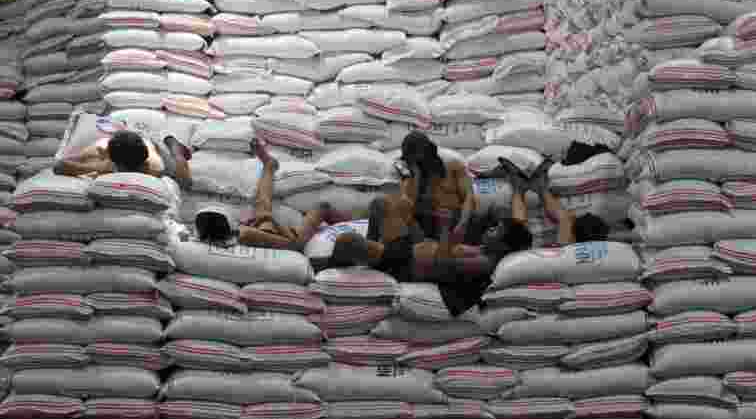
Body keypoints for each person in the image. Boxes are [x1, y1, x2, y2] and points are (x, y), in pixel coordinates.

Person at [328, 156, 541, 317]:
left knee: (346, 241)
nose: (489, 230)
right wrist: (413, 222)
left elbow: (444, 263)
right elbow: (432, 247)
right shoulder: (485, 248)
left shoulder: (484, 262)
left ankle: (332, 271)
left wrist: (445, 227)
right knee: (380, 204)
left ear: (504, 246)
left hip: (403, 263)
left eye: (495, 231)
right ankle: (368, 257)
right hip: (411, 247)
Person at [193, 138, 346, 251]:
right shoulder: (244, 235)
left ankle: (269, 166)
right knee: (323, 207)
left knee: (262, 204)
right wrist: (272, 222)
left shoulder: (207, 242)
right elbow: (292, 244)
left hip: (262, 228)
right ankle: (358, 227)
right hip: (291, 238)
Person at [500, 156, 610, 245]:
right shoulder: (565, 245)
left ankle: (524, 188)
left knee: (518, 230)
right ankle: (536, 187)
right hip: (527, 243)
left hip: (521, 246)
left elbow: (565, 219)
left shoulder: (566, 247)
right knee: (520, 228)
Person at [56, 129, 193, 188]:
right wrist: (94, 167)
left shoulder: (155, 165)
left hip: (151, 143)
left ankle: (173, 143)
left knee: (180, 165)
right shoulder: (100, 150)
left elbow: (186, 182)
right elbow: (59, 166)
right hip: (121, 145)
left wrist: (177, 155)